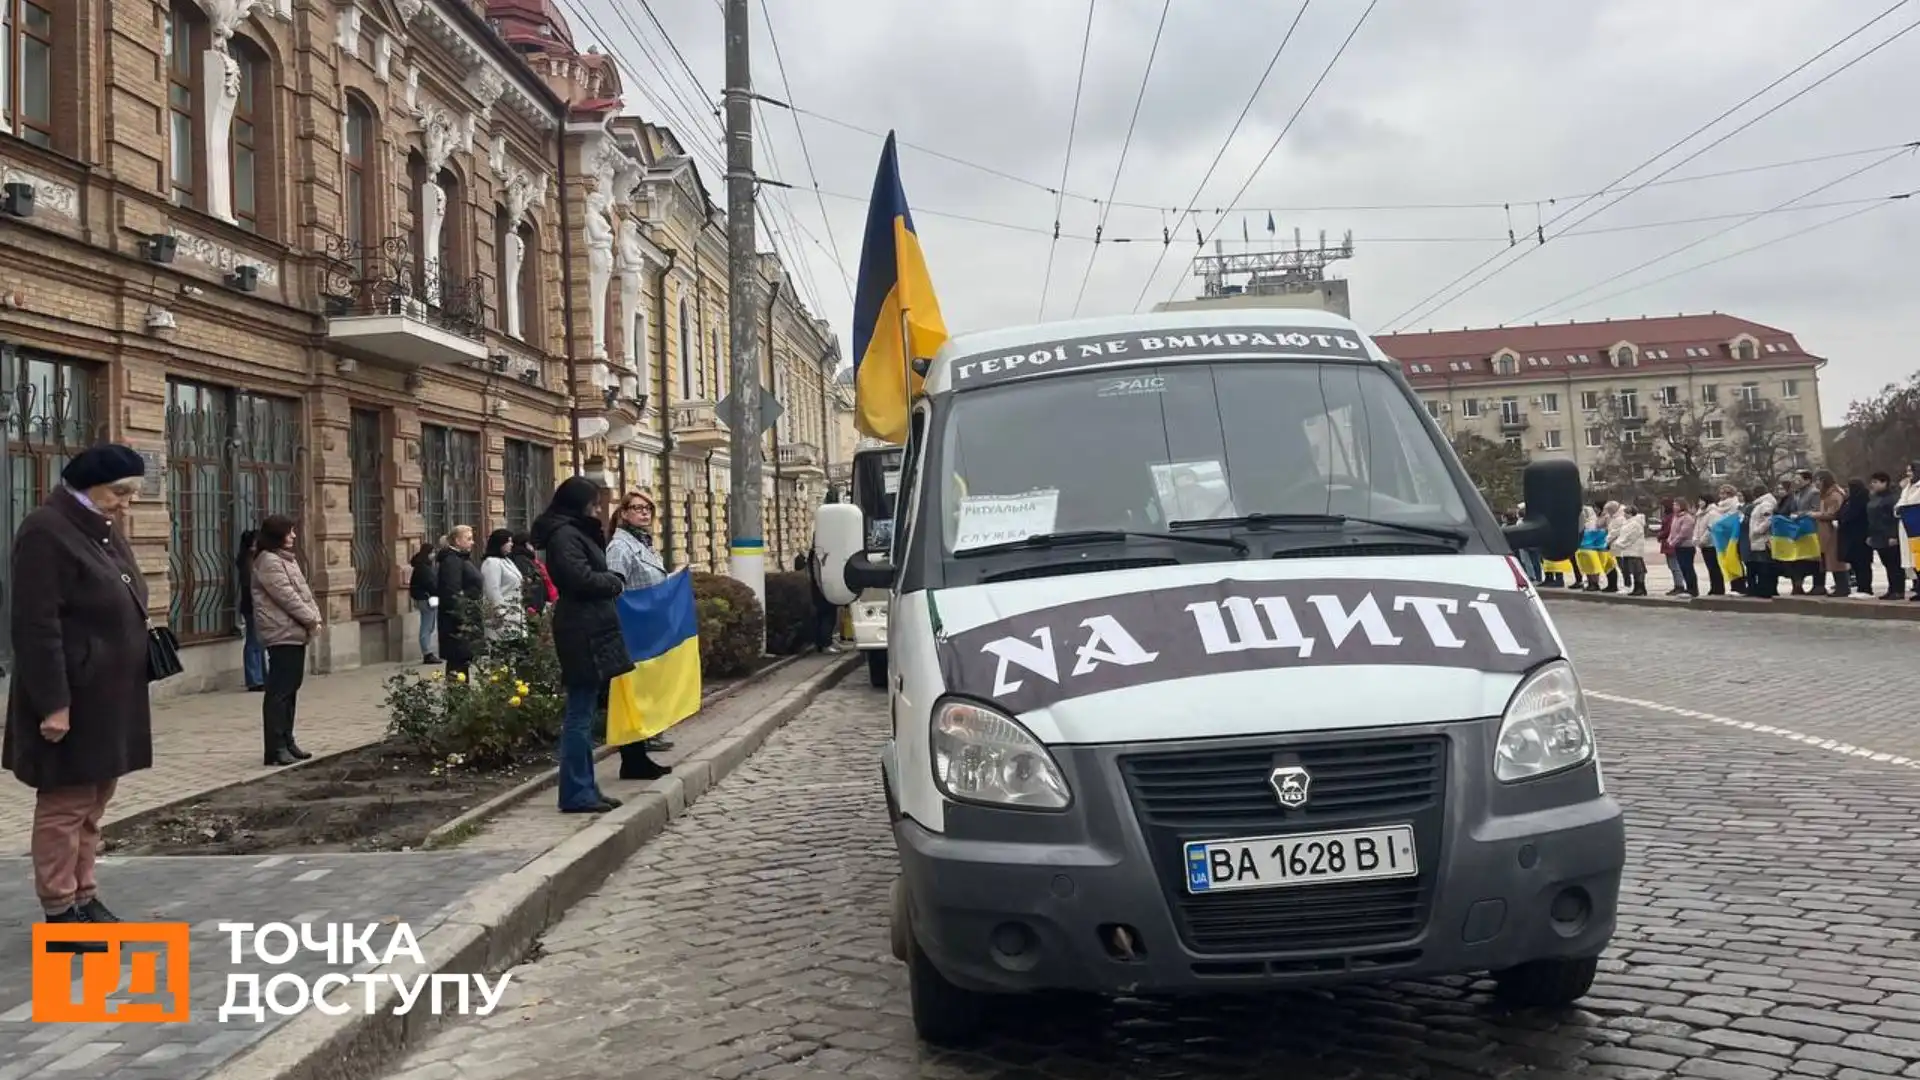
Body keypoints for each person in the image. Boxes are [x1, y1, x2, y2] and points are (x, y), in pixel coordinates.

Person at [4, 444, 152, 932]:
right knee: (66, 805)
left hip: (108, 695)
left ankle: (85, 895)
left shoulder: (101, 528)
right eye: (119, 491)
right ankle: (59, 910)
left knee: (94, 801)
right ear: (88, 484)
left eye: (131, 492)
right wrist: (53, 705)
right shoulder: (47, 530)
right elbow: (35, 625)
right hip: (72, 696)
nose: (126, 502)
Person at [532, 477, 637, 813]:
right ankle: (576, 792)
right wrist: (613, 582)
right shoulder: (565, 536)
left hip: (589, 623)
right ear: (578, 502)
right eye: (593, 502)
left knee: (587, 710)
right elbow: (578, 578)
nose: (597, 507)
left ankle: (587, 786)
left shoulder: (575, 531)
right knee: (579, 713)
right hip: (581, 627)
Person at [606, 489, 675, 768]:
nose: (644, 512)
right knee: (636, 690)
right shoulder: (619, 547)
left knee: (650, 686)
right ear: (623, 513)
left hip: (651, 626)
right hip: (633, 628)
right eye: (637, 508)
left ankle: (646, 740)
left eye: (648, 508)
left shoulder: (645, 543)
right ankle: (635, 751)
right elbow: (616, 588)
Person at [250, 515, 321, 766]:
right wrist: (311, 619)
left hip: (294, 632)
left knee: (291, 689)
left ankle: (288, 741)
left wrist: (314, 617)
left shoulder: (285, 559)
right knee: (279, 691)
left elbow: (304, 592)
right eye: (288, 532)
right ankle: (275, 748)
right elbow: (287, 596)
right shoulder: (269, 560)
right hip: (281, 633)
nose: (292, 536)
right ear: (276, 535)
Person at [435, 525, 483, 679]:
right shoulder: (452, 561)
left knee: (462, 663)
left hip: (464, 619)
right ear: (457, 541)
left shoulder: (460, 558)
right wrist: (463, 618)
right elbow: (452, 594)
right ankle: (457, 700)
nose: (472, 542)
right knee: (457, 663)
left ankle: (460, 699)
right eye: (468, 539)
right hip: (457, 623)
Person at [479, 529, 526, 641]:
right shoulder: (492, 562)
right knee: (505, 648)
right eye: (508, 541)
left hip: (515, 611)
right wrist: (500, 611)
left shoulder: (506, 560)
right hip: (502, 615)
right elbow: (492, 589)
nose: (511, 544)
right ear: (500, 543)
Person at [236, 528, 267, 691]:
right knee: (254, 642)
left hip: (254, 605)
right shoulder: (248, 562)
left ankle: (261, 677)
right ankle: (255, 679)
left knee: (259, 642)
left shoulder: (252, 559)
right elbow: (252, 586)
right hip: (253, 606)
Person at [1810, 470, 1849, 598]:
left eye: (1818, 480)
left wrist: (1815, 515)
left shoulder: (1834, 494)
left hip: (1833, 530)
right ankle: (1838, 586)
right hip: (1824, 531)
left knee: (1836, 559)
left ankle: (1843, 587)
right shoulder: (1825, 495)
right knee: (1828, 559)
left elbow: (1833, 514)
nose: (1816, 483)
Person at [1866, 471, 1903, 599]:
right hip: (1877, 535)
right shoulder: (1874, 497)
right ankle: (1891, 589)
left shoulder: (1891, 498)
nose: (1873, 485)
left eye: (1876, 482)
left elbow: (1894, 519)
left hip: (1889, 535)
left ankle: (1898, 590)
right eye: (1872, 482)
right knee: (1886, 563)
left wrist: (1894, 535)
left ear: (1884, 483)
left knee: (1894, 564)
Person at [408, 541, 440, 664]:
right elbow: (431, 584)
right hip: (426, 599)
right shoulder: (423, 568)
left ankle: (428, 652)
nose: (433, 555)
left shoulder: (422, 566)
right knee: (427, 627)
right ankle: (427, 653)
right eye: (432, 553)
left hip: (425, 598)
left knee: (429, 626)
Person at [1839, 477, 1871, 597]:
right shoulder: (1849, 500)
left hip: (1861, 536)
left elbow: (1855, 515)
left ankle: (1866, 588)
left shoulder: (1863, 500)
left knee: (1863, 564)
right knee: (1856, 564)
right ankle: (1860, 587)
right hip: (1850, 536)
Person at [511, 531, 553, 615]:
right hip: (532, 604)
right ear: (526, 544)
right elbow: (529, 579)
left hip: (535, 602)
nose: (534, 548)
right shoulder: (521, 559)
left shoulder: (526, 558)